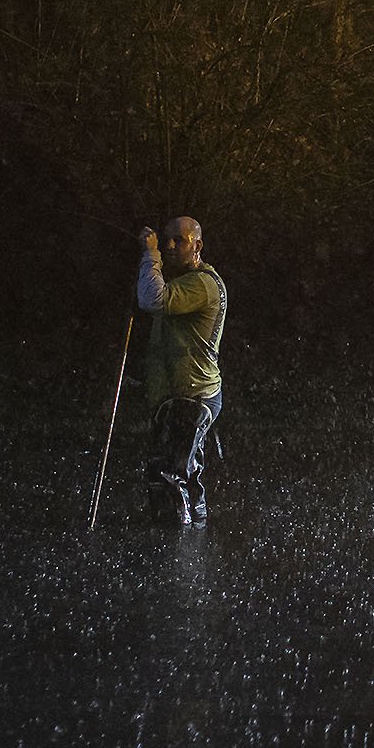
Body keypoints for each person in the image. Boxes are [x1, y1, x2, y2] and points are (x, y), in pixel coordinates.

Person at [136, 216, 228, 527]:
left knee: (169, 476)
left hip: (192, 396)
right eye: (166, 240)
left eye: (180, 240)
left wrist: (150, 256)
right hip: (183, 394)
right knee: (182, 473)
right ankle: (191, 534)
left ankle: (174, 549)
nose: (170, 245)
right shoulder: (185, 283)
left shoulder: (201, 284)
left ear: (197, 245)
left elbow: (153, 298)